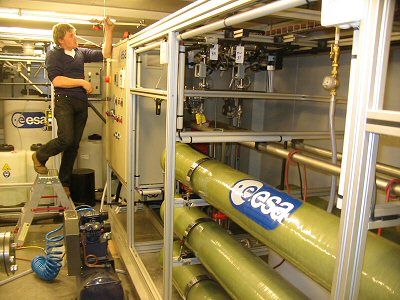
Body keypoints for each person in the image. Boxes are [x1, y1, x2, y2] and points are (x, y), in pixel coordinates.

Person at [32, 17, 115, 197]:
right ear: (61, 40)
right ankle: (40, 155)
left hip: (80, 102)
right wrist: (82, 82)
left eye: (75, 34)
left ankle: (64, 183)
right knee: (66, 139)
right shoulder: (54, 54)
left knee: (73, 146)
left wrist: (108, 31)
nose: (76, 38)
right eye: (72, 35)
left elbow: (106, 54)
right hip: (65, 101)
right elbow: (57, 80)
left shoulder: (79, 53)